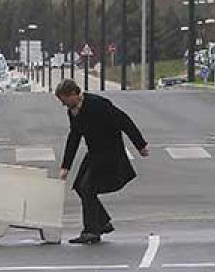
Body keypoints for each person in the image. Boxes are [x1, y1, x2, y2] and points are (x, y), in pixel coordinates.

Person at [55, 79, 149, 245]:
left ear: (74, 94)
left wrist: (140, 145)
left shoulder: (97, 105)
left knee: (87, 187)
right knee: (79, 187)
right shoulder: (73, 111)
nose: (63, 104)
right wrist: (65, 167)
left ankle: (91, 231)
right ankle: (102, 222)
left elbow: (124, 120)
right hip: (95, 153)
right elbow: (74, 138)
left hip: (110, 153)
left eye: (64, 100)